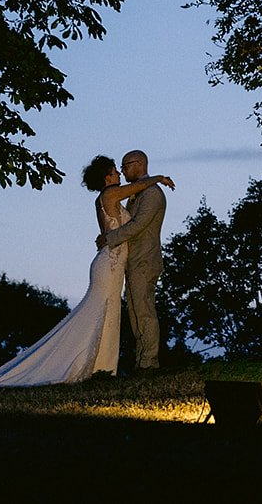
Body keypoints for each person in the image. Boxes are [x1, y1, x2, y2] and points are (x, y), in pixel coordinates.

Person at [0, 156, 174, 390]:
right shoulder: (110, 194)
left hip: (118, 263)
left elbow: (130, 218)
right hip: (110, 264)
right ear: (107, 177)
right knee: (102, 311)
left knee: (110, 312)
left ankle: (103, 367)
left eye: (122, 169)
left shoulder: (116, 196)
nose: (119, 173)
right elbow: (136, 190)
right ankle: (94, 367)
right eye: (116, 170)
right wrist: (157, 177)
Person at [96, 149, 168, 372]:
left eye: (125, 166)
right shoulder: (137, 192)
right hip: (131, 262)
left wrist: (110, 238)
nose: (123, 170)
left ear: (138, 164)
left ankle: (149, 363)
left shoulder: (153, 193)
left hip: (145, 260)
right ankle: (142, 362)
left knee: (144, 310)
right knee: (136, 313)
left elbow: (138, 225)